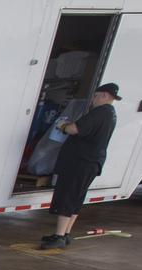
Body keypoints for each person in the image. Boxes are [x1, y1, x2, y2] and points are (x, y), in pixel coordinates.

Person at [40, 82, 120, 249]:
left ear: (104, 95)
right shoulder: (111, 113)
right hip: (91, 162)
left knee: (68, 197)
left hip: (80, 162)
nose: (93, 99)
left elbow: (74, 129)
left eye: (95, 96)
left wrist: (63, 125)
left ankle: (59, 236)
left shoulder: (99, 112)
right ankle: (66, 233)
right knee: (76, 197)